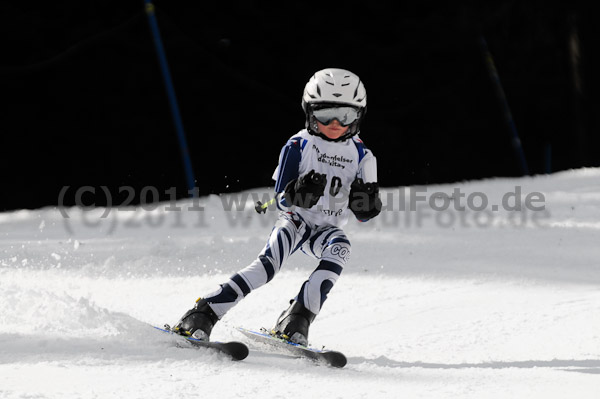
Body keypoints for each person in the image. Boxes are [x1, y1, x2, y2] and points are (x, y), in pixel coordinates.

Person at [173, 68, 382, 346]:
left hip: (327, 229)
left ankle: (297, 318)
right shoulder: (299, 144)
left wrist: (366, 205)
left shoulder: (363, 155)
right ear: (309, 112)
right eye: (324, 114)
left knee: (340, 248)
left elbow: (365, 215)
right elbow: (281, 199)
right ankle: (203, 312)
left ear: (359, 116)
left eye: (345, 116)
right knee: (266, 269)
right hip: (296, 221)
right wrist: (298, 192)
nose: (334, 123)